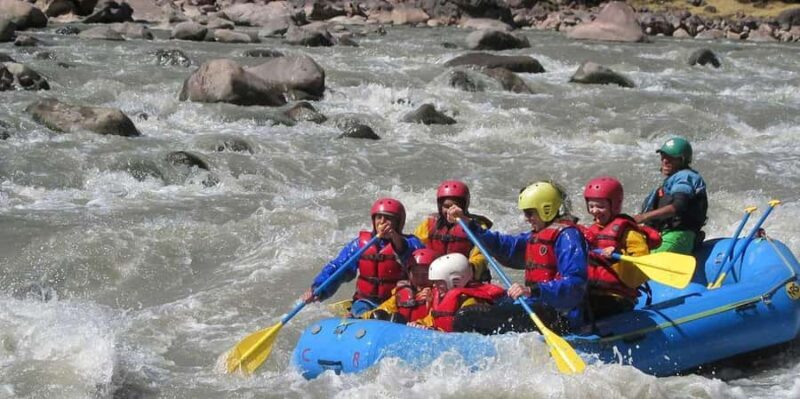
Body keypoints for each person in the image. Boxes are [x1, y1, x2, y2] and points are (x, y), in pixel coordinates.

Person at [446, 181, 588, 335]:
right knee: (479, 303)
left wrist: (532, 290)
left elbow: (575, 285)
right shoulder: (537, 235)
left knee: (466, 317)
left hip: (558, 316)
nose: (526, 218)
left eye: (529, 213)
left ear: (546, 210)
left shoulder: (568, 237)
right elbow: (504, 246)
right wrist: (467, 222)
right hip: (538, 306)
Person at [301, 197, 425, 317]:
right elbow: (339, 267)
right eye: (379, 217)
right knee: (366, 314)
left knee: (390, 314)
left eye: (388, 218)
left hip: (395, 302)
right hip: (366, 301)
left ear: (398, 223)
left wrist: (396, 240)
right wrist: (318, 289)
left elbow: (418, 262)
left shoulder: (411, 243)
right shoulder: (361, 244)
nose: (382, 222)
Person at [581, 176, 662, 320]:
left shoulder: (629, 232)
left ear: (615, 205)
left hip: (618, 298)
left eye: (600, 206)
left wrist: (618, 255)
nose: (594, 211)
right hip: (594, 293)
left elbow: (641, 267)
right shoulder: (592, 231)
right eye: (591, 206)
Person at [635, 137, 708, 255]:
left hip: (677, 235)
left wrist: (643, 217)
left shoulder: (685, 177)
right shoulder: (670, 183)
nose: (664, 161)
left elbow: (678, 206)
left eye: (671, 158)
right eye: (663, 156)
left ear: (682, 160)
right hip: (662, 235)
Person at [413, 180, 493, 282]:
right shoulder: (429, 224)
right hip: (435, 279)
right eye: (446, 206)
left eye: (455, 206)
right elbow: (415, 247)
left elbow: (481, 256)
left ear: (464, 206)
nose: (450, 210)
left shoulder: (476, 227)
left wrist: (469, 269)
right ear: (440, 206)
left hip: (464, 280)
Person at [409, 253, 505, 332]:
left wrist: (435, 331)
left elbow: (465, 334)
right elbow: (431, 319)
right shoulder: (439, 298)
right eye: (434, 282)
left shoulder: (471, 304)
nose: (434, 286)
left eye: (439, 282)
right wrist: (419, 324)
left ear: (455, 281)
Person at [361, 248, 439, 323]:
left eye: (425, 274)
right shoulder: (401, 292)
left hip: (423, 332)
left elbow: (436, 320)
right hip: (402, 332)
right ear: (409, 274)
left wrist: (429, 306)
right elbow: (385, 308)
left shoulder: (439, 295)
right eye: (415, 274)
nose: (420, 279)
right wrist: (361, 317)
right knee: (377, 315)